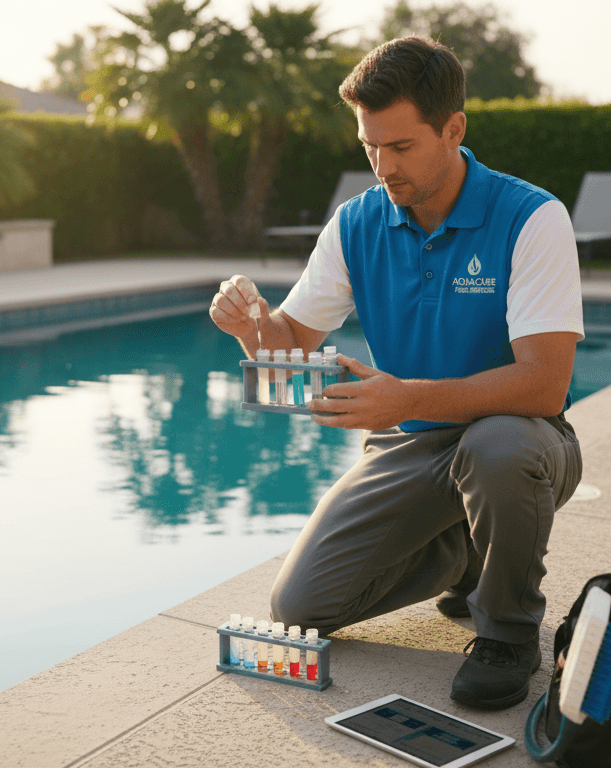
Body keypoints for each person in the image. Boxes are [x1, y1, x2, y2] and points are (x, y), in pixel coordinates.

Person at [209, 36, 583, 710]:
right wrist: (251, 328)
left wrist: (404, 396)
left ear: (453, 129)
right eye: (369, 147)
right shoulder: (356, 224)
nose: (382, 166)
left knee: (498, 447)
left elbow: (544, 383)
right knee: (301, 606)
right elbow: (290, 341)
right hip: (408, 445)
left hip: (520, 441)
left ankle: (506, 633)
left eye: (401, 147)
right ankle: (466, 552)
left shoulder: (532, 217)